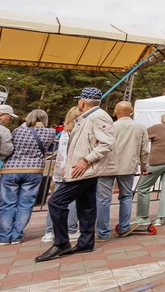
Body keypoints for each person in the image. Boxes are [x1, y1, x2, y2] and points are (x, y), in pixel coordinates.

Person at [36, 88, 115, 262]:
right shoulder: (89, 117)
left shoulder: (97, 117)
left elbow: (107, 143)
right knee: (86, 204)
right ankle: (85, 242)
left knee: (56, 202)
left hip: (85, 169)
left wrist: (85, 161)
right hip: (84, 169)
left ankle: (61, 242)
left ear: (82, 102)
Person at [0, 109, 57, 245]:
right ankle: (17, 235)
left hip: (11, 169)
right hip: (34, 170)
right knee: (26, 204)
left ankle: (4, 237)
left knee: (7, 204)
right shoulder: (50, 132)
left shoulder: (18, 131)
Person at [97, 101, 149, 239]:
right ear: (131, 111)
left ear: (115, 111)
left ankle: (102, 232)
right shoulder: (140, 127)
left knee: (103, 199)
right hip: (128, 166)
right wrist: (144, 165)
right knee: (126, 197)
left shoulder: (109, 127)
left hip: (107, 166)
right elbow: (144, 150)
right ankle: (124, 227)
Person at [135, 111, 165, 227]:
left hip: (156, 161)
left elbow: (142, 136)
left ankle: (143, 217)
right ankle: (160, 218)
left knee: (143, 188)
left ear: (163, 118)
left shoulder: (156, 128)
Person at [43, 107, 81, 243]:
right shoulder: (76, 132)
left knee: (56, 200)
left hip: (60, 169)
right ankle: (70, 229)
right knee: (71, 200)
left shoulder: (64, 132)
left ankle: (49, 230)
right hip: (71, 169)